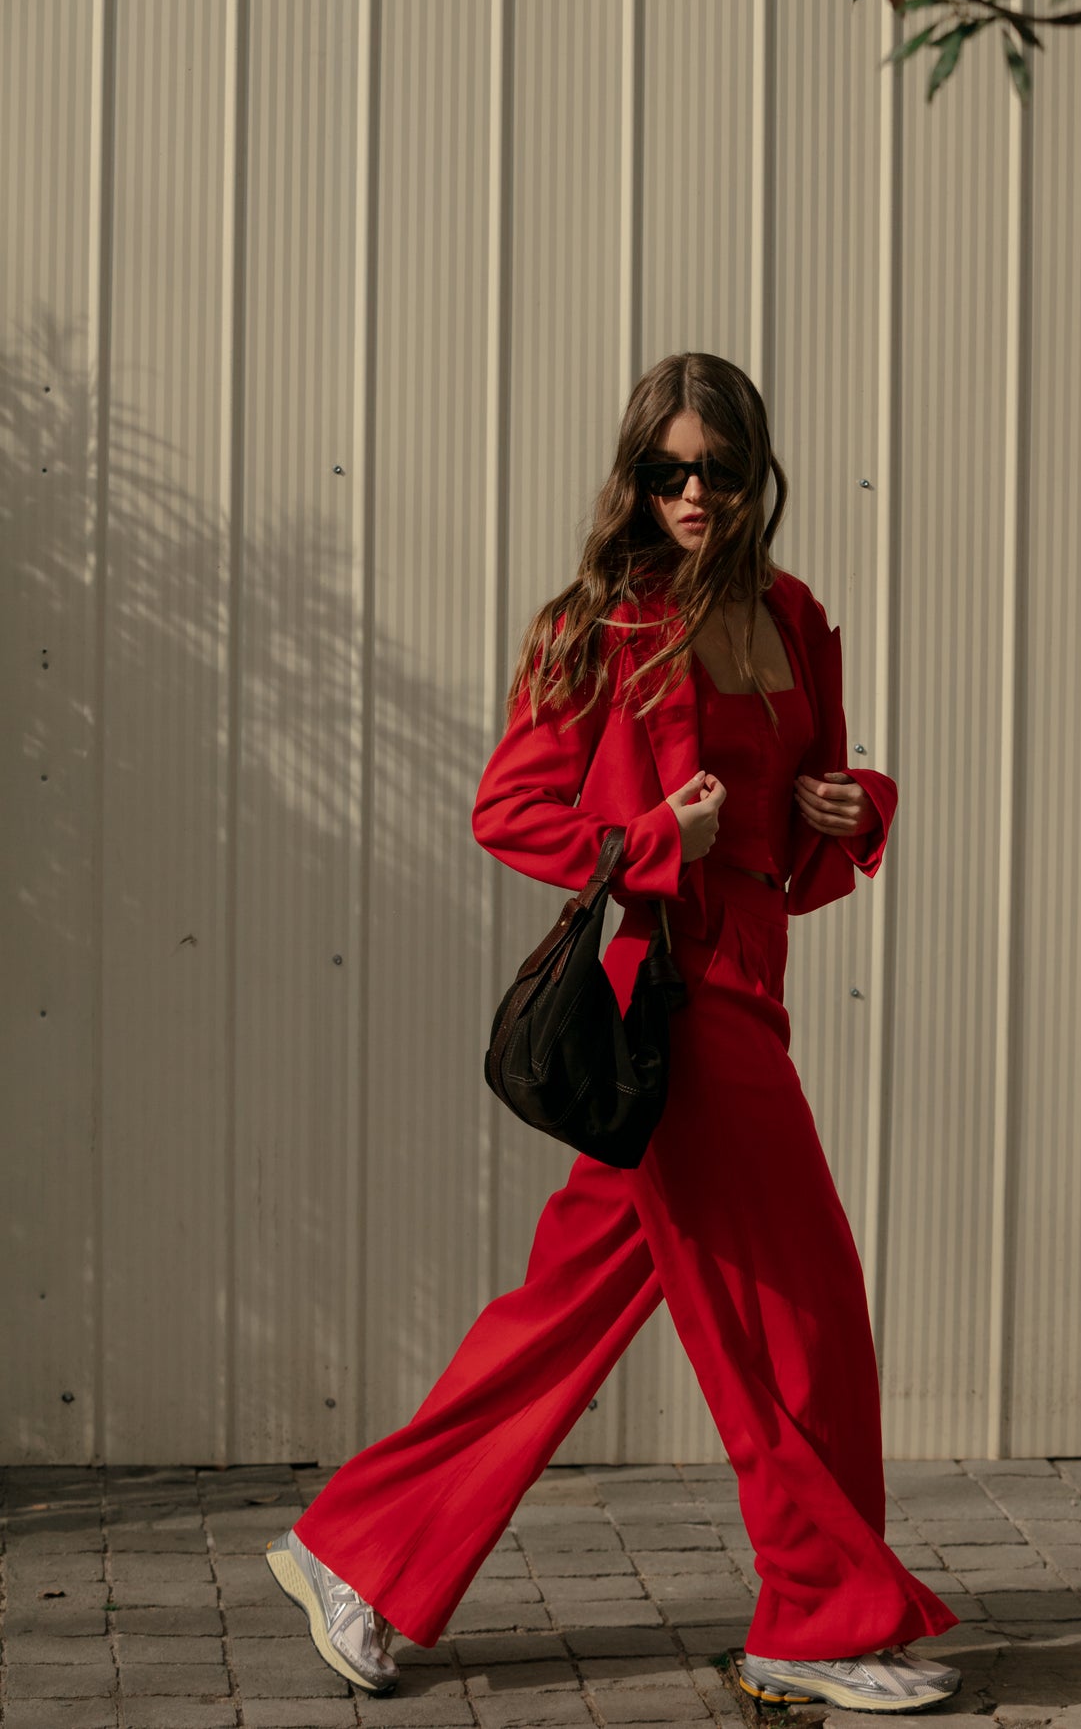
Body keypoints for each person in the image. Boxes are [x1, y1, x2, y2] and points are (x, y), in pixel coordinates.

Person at [265, 352, 961, 1714]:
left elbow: (793, 832)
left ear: (756, 469)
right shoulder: (597, 626)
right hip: (672, 1007)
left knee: (564, 1314)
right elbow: (509, 807)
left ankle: (356, 1548)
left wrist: (853, 804)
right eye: (667, 470)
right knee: (795, 1316)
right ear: (635, 475)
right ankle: (813, 1624)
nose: (694, 492)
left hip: (751, 989)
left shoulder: (796, 615)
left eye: (717, 468)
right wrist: (651, 837)